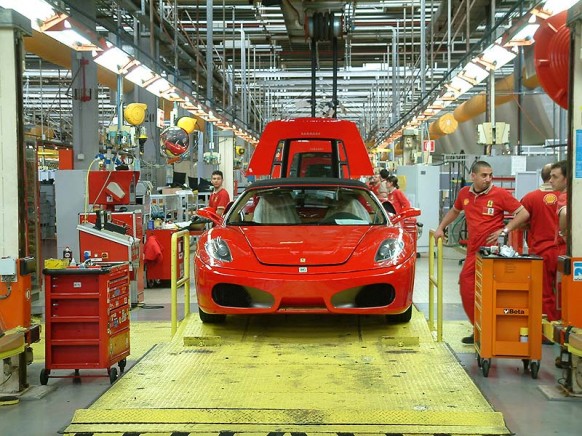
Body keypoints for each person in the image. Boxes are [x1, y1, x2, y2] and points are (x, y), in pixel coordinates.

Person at [434, 160, 530, 344]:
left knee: (495, 293)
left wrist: (504, 230)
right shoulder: (464, 194)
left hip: (493, 253)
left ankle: (500, 331)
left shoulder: (500, 194)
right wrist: (441, 227)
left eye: (490, 175)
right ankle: (479, 327)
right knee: (467, 287)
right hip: (473, 252)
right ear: (473, 176)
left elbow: (524, 213)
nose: (488, 179)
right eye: (484, 175)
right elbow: (454, 211)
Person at [520, 163, 561, 322]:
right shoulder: (568, 197)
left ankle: (545, 329)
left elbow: (521, 222)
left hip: (540, 251)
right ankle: (565, 328)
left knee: (542, 291)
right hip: (563, 251)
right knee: (564, 290)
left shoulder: (530, 198)